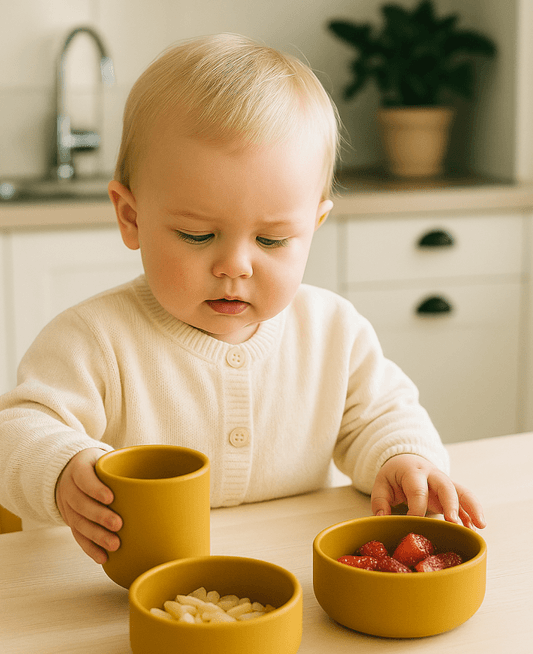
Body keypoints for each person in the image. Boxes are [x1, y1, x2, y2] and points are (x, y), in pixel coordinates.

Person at [0, 34, 485, 564]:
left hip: (295, 582)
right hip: (129, 595)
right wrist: (62, 468)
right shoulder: (94, 340)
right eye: (197, 235)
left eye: (273, 240)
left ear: (314, 226)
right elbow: (19, 431)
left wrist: (405, 458)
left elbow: (383, 416)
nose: (235, 265)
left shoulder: (332, 332)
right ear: (132, 217)